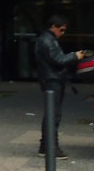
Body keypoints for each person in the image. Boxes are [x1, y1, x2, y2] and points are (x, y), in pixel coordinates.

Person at [34, 14, 88, 158]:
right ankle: (51, 146)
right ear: (53, 27)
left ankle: (46, 146)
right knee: (53, 114)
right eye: (61, 30)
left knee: (52, 114)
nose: (63, 33)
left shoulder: (47, 39)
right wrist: (75, 56)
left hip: (52, 79)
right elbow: (57, 60)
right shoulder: (47, 40)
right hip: (52, 80)